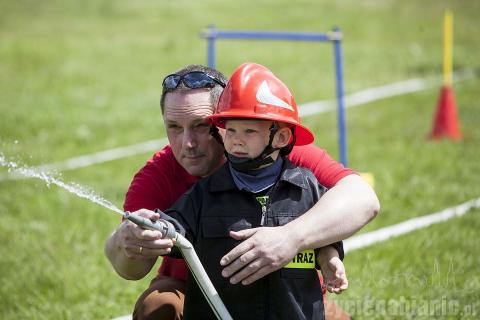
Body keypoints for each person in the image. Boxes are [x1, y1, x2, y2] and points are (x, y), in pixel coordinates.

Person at [105, 64, 379, 319]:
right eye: (174, 127)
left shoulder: (279, 150)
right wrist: (125, 240)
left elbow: (364, 199)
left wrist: (290, 238)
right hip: (196, 294)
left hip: (289, 295)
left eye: (201, 125)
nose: (187, 143)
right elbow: (132, 269)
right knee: (159, 307)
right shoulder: (159, 173)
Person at [157, 62, 347, 319]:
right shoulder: (206, 192)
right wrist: (154, 227)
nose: (236, 139)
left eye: (248, 130)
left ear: (280, 138)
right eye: (231, 129)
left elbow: (326, 237)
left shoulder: (306, 187)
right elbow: (174, 225)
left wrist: (329, 259)